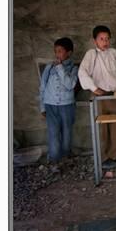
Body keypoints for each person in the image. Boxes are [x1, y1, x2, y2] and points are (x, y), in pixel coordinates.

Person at [78, 25, 116, 170]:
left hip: (113, 94)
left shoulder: (113, 53)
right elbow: (82, 72)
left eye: (107, 39)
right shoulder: (91, 54)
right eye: (101, 39)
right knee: (102, 129)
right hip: (99, 96)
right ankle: (103, 159)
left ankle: (113, 156)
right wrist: (94, 88)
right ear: (95, 41)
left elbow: (115, 73)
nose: (105, 42)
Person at [39, 37, 79, 171]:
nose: (57, 54)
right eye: (56, 51)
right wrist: (42, 106)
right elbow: (43, 87)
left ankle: (66, 157)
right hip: (50, 105)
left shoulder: (74, 68)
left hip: (67, 106)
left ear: (69, 53)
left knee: (67, 133)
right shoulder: (49, 67)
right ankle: (54, 160)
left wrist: (61, 68)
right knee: (53, 133)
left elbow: (70, 85)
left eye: (60, 51)